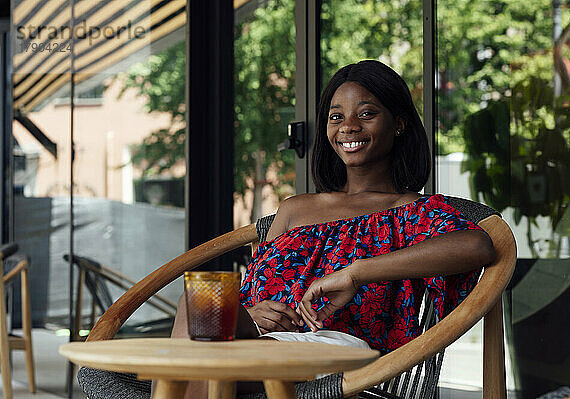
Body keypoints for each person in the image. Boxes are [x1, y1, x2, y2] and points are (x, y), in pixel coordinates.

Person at [171, 60, 494, 397]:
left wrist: (355, 273)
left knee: (193, 368)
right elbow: (249, 294)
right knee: (196, 303)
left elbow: (477, 246)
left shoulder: (409, 210)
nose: (348, 127)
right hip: (260, 343)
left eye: (366, 114)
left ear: (398, 123)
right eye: (336, 117)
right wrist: (252, 314)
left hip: (338, 351)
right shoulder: (295, 209)